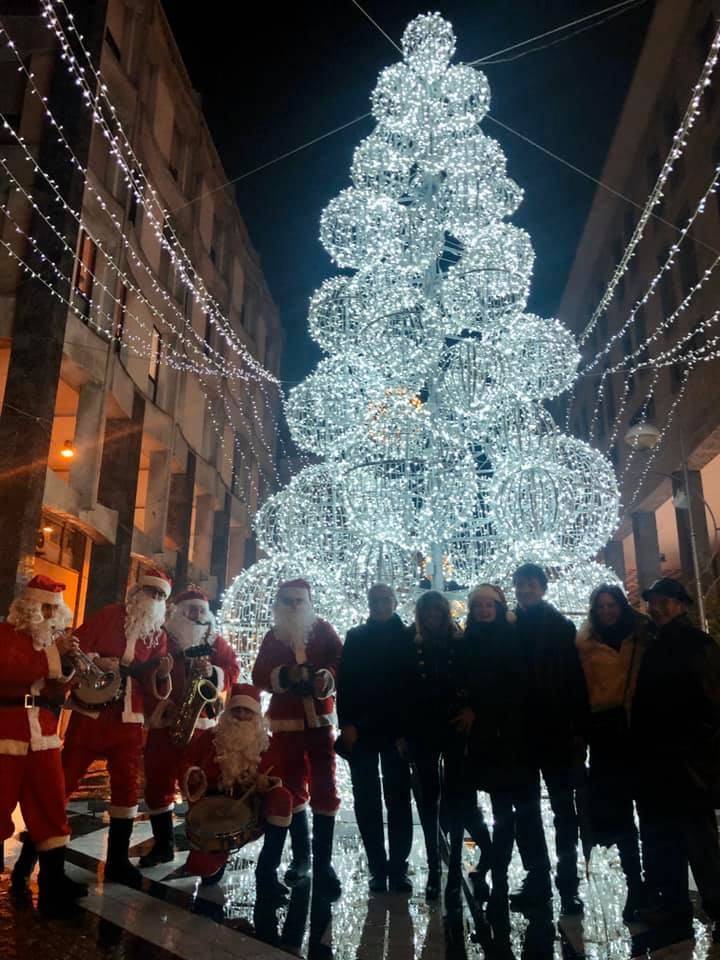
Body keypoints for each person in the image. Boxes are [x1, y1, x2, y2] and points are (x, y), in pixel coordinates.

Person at [61, 569, 173, 886]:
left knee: (126, 787)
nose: (154, 600)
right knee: (65, 776)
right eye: (151, 592)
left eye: (161, 596)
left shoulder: (159, 635)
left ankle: (118, 861)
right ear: (137, 592)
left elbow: (154, 685)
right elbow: (76, 647)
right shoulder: (111, 615)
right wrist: (100, 660)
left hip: (129, 717)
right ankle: (40, 849)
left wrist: (162, 673)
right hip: (92, 712)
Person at [632, 577, 720, 939]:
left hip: (684, 763)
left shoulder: (695, 644)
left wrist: (694, 750)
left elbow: (711, 705)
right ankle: (673, 907)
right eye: (653, 601)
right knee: (665, 838)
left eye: (666, 601)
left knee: (698, 841)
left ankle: (715, 905)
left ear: (682, 605)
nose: (657, 607)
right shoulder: (655, 643)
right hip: (659, 762)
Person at [0, 575, 88, 912]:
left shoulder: (52, 642)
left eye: (56, 609)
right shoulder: (7, 634)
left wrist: (69, 672)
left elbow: (52, 691)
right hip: (7, 730)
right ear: (27, 607)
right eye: (45, 608)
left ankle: (54, 882)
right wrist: (55, 655)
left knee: (51, 805)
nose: (51, 616)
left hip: (44, 733)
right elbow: (9, 669)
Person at [252, 578, 343, 899]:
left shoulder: (323, 630)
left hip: (319, 721)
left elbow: (339, 659)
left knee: (326, 787)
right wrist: (284, 675)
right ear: (279, 604)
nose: (293, 607)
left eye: (299, 602)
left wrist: (327, 677)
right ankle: (302, 858)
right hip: (286, 723)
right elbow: (259, 674)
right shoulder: (272, 637)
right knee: (291, 788)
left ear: (308, 603)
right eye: (288, 602)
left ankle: (324, 864)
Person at [460, 584, 549, 905]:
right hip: (487, 740)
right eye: (478, 605)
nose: (484, 610)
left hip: (516, 737)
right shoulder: (468, 640)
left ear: (499, 607)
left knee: (526, 809)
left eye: (489, 605)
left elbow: (515, 686)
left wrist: (480, 708)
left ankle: (536, 874)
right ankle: (497, 866)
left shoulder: (512, 639)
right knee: (498, 809)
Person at [140, 586, 239, 868]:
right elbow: (145, 670)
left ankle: (203, 848)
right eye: (191, 610)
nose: (196, 614)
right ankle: (163, 845)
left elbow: (232, 670)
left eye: (200, 610)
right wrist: (159, 677)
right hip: (167, 720)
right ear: (178, 612)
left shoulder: (216, 641)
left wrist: (214, 674)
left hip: (202, 724)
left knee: (198, 782)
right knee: (159, 781)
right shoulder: (162, 638)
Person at [513, 562, 589, 914]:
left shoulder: (561, 626)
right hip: (522, 734)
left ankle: (568, 881)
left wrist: (577, 731)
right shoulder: (508, 625)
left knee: (563, 810)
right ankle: (537, 878)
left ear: (542, 588)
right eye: (520, 584)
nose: (525, 590)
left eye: (531, 584)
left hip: (556, 731)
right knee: (526, 811)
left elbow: (574, 681)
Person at [576, 583, 653, 922]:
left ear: (622, 607)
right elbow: (580, 691)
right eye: (601, 606)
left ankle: (655, 882)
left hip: (640, 727)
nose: (607, 611)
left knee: (651, 810)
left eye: (613, 605)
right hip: (605, 732)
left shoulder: (641, 639)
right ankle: (635, 885)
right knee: (620, 814)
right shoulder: (585, 646)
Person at [181, 683, 293, 898]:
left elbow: (279, 777)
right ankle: (216, 856)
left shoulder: (267, 744)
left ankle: (266, 872)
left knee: (282, 798)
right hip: (214, 811)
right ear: (227, 712)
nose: (241, 716)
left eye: (247, 711)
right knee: (204, 871)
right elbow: (187, 767)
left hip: (253, 809)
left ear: (257, 715)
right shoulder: (208, 739)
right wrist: (193, 776)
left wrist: (267, 782)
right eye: (236, 710)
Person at [336, 583, 413, 894]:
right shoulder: (356, 637)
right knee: (367, 800)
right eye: (376, 600)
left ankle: (398, 867)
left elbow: (411, 687)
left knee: (398, 800)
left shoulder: (408, 637)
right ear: (369, 603)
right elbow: (347, 683)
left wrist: (407, 731)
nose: (381, 604)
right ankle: (377, 867)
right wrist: (347, 725)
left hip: (396, 732)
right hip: (363, 730)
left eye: (386, 600)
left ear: (394, 602)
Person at [397, 590, 465, 902]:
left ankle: (453, 869)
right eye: (429, 612)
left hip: (453, 726)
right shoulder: (409, 640)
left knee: (456, 795)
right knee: (428, 798)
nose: (434, 617)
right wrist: (401, 731)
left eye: (439, 612)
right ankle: (435, 868)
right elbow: (398, 687)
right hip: (420, 728)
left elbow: (469, 677)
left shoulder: (457, 638)